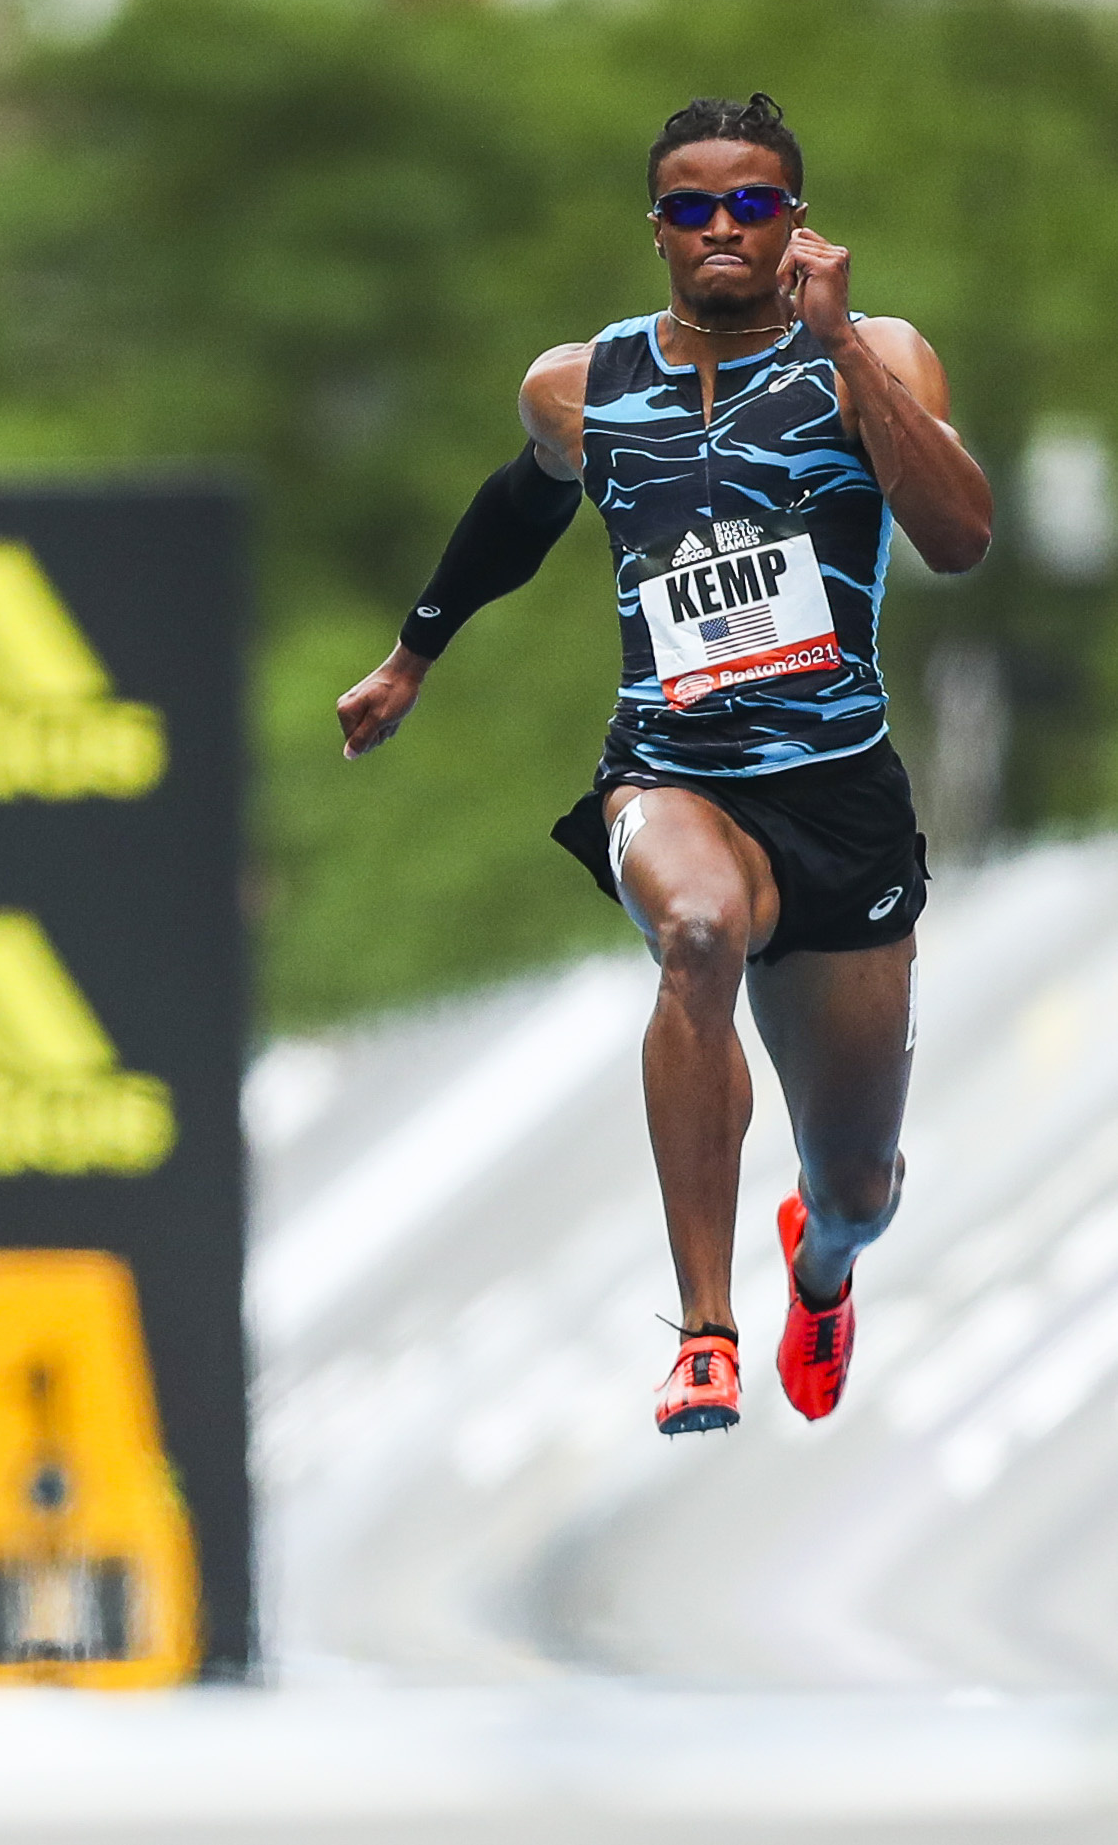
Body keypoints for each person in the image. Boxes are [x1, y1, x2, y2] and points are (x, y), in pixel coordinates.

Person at [336, 94, 992, 1435]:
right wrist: (413, 654)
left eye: (750, 205)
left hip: (838, 797)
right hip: (670, 775)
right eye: (690, 208)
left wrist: (844, 360)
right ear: (655, 230)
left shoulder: (877, 356)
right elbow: (513, 513)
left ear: (795, 224)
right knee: (692, 932)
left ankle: (821, 1265)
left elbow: (960, 536)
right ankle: (704, 1329)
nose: (720, 231)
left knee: (860, 1178)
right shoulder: (583, 385)